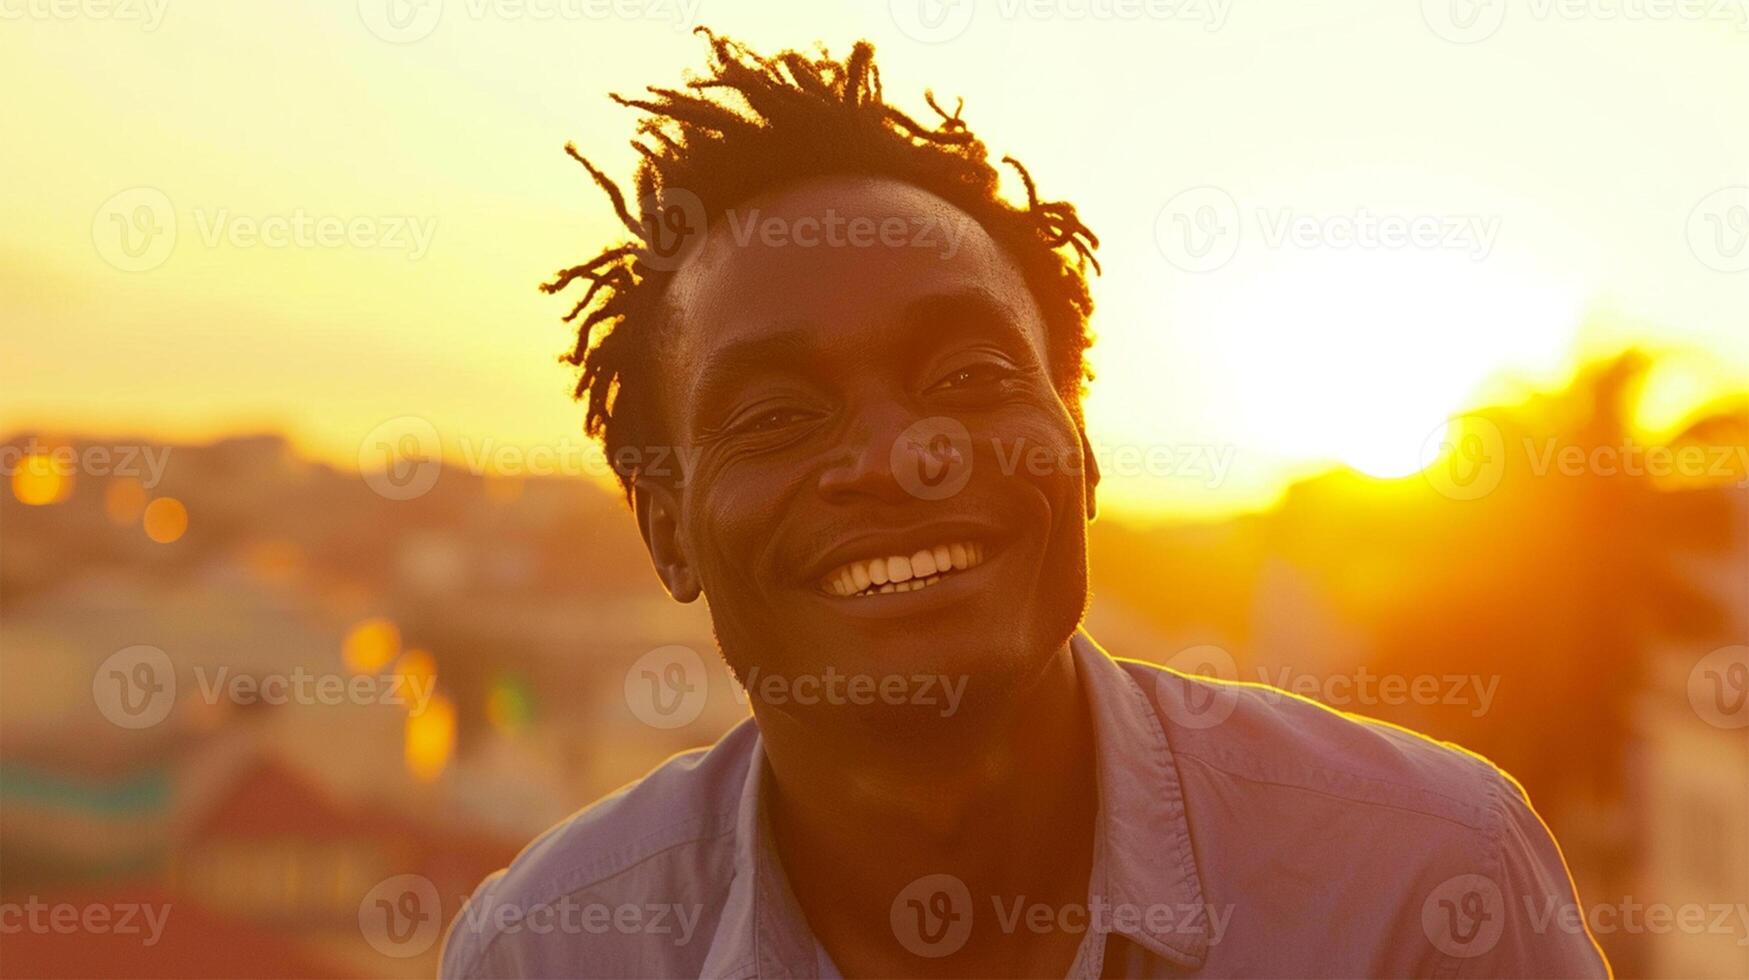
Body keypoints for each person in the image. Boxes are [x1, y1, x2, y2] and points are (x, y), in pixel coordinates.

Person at [441, 28, 1610, 979]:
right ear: (665, 525)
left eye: (968, 375)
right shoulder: (546, 952)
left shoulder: (1425, 877)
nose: (902, 456)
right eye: (778, 416)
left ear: (1081, 440)